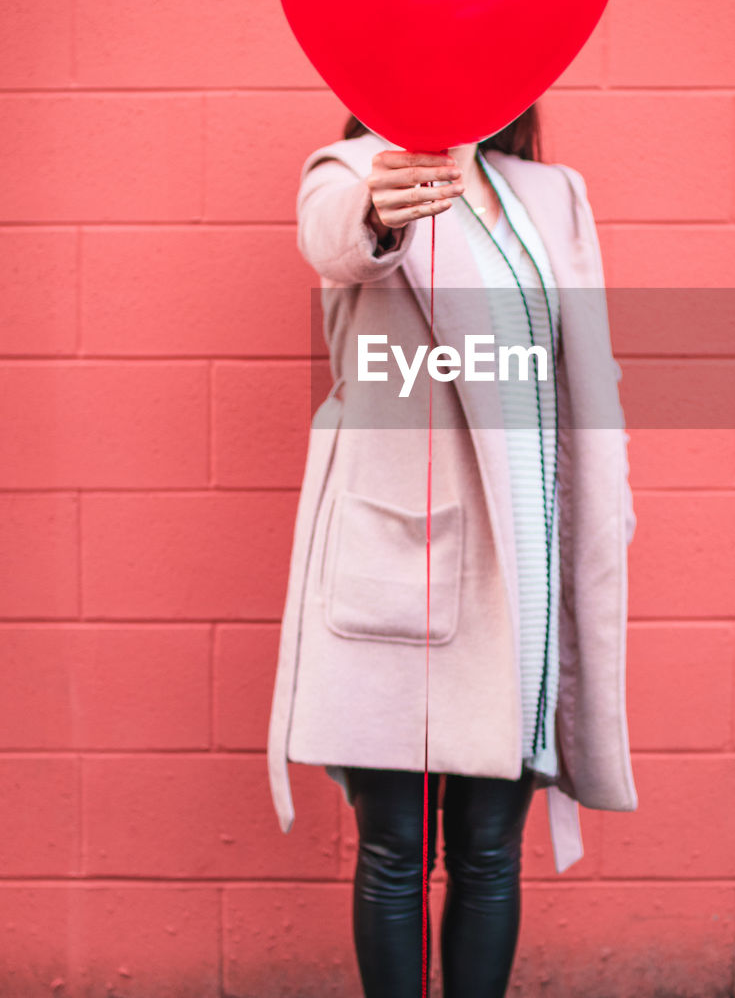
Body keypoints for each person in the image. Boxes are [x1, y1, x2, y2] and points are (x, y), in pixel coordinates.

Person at [267, 103, 637, 998]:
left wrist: (611, 498)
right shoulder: (353, 171)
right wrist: (380, 212)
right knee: (395, 849)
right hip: (405, 565)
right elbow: (335, 239)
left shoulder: (553, 195)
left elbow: (583, 364)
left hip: (529, 564)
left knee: (489, 849)